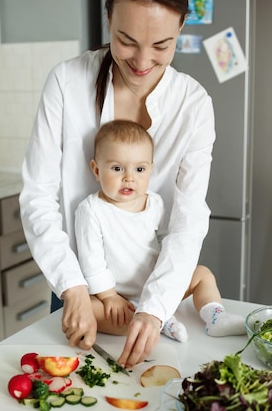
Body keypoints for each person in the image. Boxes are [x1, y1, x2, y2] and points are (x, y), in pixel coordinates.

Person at [20, 0, 229, 367]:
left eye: (162, 45)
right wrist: (74, 288)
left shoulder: (193, 104)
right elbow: (38, 195)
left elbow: (189, 218)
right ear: (108, 20)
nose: (142, 61)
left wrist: (155, 309)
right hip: (81, 287)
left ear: (181, 27)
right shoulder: (67, 82)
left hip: (158, 287)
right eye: (127, 41)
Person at [75, 119, 245, 343]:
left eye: (140, 169)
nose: (129, 177)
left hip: (155, 287)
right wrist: (109, 296)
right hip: (118, 295)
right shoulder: (91, 210)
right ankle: (158, 322)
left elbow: (169, 242)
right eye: (117, 168)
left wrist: (163, 291)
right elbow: (91, 261)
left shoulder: (155, 203)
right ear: (97, 170)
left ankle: (215, 316)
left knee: (202, 274)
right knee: (88, 308)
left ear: (150, 170)